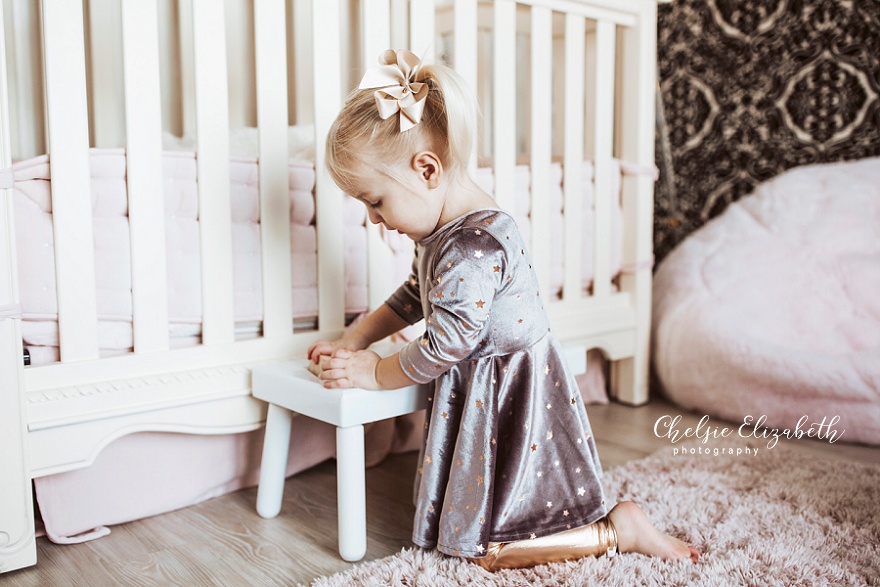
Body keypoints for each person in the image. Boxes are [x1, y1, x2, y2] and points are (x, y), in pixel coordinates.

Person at [307, 49, 700, 571]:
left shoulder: (474, 245)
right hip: (482, 384)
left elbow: (448, 343)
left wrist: (375, 372)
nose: (375, 219)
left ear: (426, 170)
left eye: (375, 202)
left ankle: (614, 530)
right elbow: (415, 295)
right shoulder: (438, 229)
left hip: (510, 390)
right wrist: (357, 337)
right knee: (471, 533)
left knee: (489, 552)